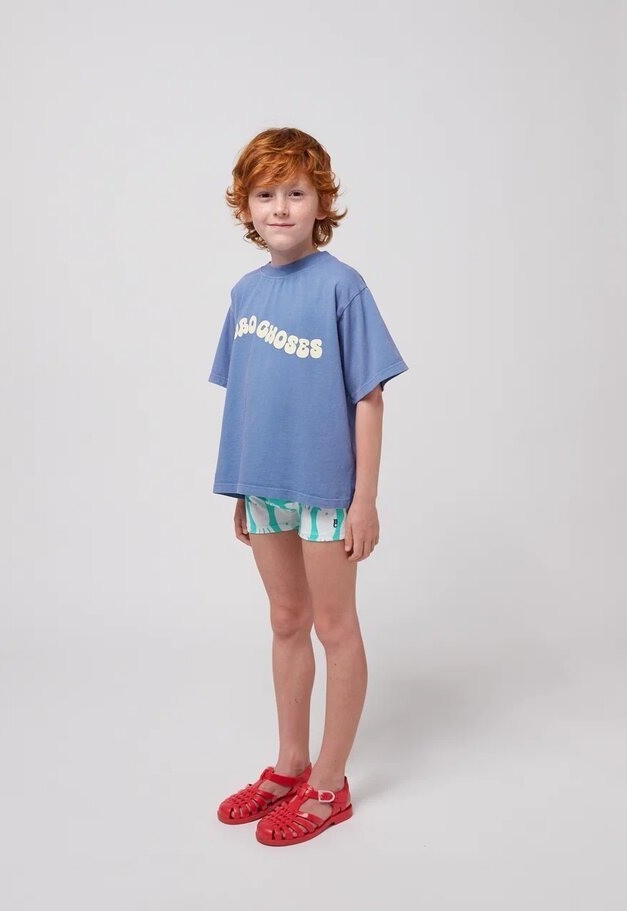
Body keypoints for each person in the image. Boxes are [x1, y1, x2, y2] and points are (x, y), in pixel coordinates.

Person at [208, 127, 409, 846]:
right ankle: (289, 765)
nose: (281, 208)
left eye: (295, 192)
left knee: (334, 626)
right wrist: (241, 486)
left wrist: (364, 498)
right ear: (246, 206)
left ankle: (329, 781)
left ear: (321, 201)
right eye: (266, 194)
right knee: (286, 620)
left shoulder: (341, 287)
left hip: (327, 492)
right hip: (265, 488)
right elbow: (248, 397)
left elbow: (369, 396)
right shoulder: (245, 293)